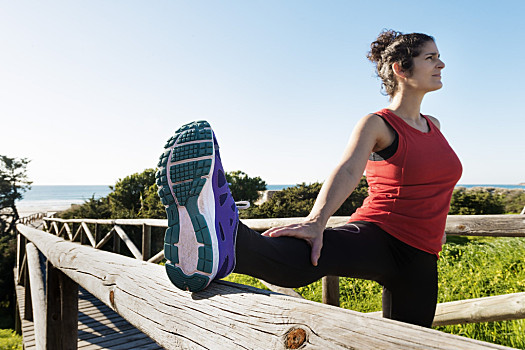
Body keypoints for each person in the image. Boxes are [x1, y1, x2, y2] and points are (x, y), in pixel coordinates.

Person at [155, 29, 462, 328]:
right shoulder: (378, 123)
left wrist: (437, 228)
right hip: (380, 234)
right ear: (400, 69)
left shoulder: (433, 125)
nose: (441, 64)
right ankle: (226, 237)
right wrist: (316, 221)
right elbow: (348, 170)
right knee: (310, 257)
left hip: (423, 254)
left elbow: (433, 186)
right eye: (431, 57)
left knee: (412, 339)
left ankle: (213, 241)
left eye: (438, 57)